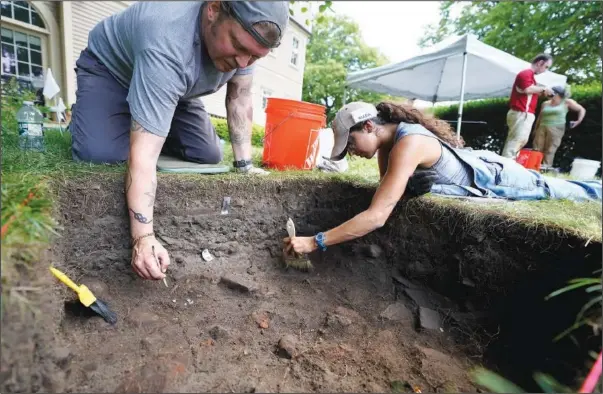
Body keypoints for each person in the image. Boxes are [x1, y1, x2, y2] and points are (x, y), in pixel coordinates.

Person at [69, 1, 289, 281]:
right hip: (111, 72)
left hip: (177, 89)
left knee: (208, 154)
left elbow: (240, 97)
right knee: (99, 152)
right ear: (214, 9)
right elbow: (144, 156)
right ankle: (96, 116)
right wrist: (143, 236)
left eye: (255, 57)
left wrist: (244, 165)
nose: (244, 63)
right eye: (238, 47)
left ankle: (151, 116)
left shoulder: (246, 44)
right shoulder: (165, 35)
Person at [283, 101, 601, 255]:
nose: (350, 152)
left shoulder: (408, 144)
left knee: (566, 189)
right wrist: (407, 190)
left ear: (368, 126)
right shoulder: (388, 145)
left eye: (349, 144)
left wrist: (315, 241)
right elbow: (389, 195)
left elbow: (377, 216)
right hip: (478, 163)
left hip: (495, 177)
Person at [501, 54, 555, 159]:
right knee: (517, 140)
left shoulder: (530, 77)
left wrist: (543, 92)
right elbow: (528, 89)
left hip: (522, 113)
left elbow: (529, 91)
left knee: (518, 141)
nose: (546, 70)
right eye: (546, 67)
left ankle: (508, 164)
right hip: (521, 113)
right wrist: (544, 89)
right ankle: (506, 166)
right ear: (540, 63)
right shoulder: (526, 74)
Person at [532, 85, 586, 167]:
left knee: (550, 149)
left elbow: (581, 109)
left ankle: (545, 168)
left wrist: (578, 121)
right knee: (537, 148)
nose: (548, 93)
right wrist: (535, 129)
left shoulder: (567, 102)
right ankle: (534, 166)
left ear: (557, 93)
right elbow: (540, 117)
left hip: (556, 128)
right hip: (542, 127)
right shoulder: (545, 103)